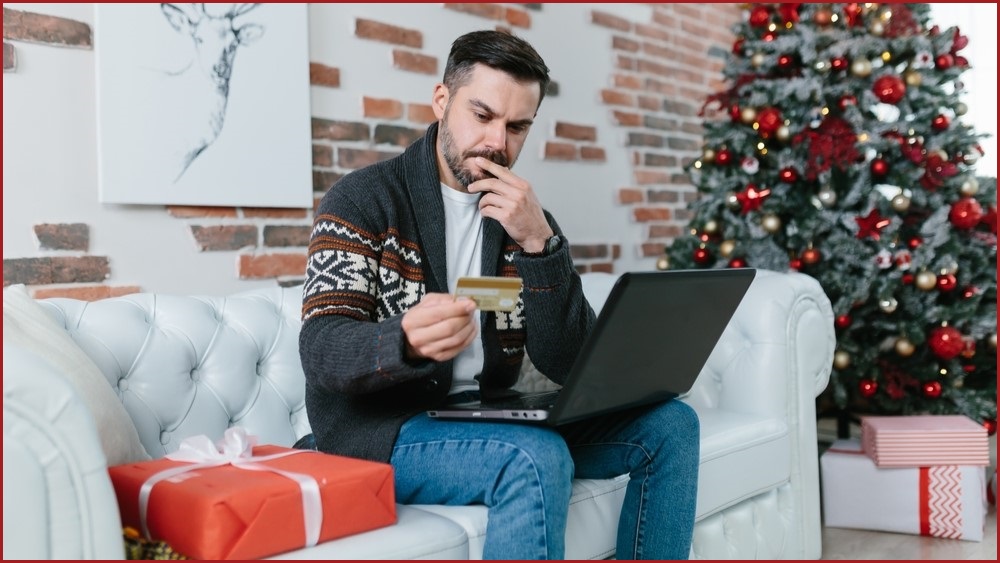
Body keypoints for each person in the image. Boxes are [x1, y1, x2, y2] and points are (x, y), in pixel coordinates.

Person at [299, 29, 699, 560]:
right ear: (442, 101)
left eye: (516, 127)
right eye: (481, 116)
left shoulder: (525, 218)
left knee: (672, 426)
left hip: (487, 415)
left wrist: (541, 245)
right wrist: (402, 342)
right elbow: (321, 347)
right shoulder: (364, 200)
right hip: (384, 430)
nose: (496, 143)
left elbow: (567, 361)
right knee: (534, 457)